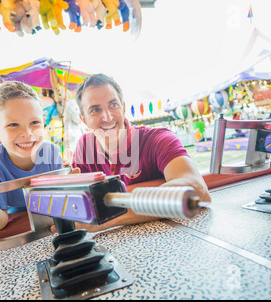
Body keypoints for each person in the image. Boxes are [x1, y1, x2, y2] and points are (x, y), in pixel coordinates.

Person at [71, 73, 211, 232]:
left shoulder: (158, 139)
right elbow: (76, 204)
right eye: (95, 109)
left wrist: (107, 215)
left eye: (113, 105)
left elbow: (197, 192)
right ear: (84, 120)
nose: (108, 116)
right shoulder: (84, 146)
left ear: (123, 108)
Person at [0, 81, 65, 230]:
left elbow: (64, 205)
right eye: (13, 125)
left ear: (43, 123)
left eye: (34, 122)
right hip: (18, 229)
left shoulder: (52, 153)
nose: (27, 133)